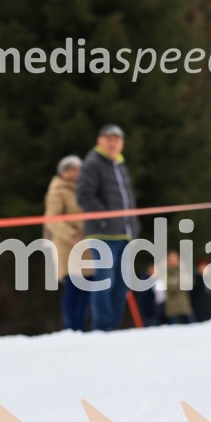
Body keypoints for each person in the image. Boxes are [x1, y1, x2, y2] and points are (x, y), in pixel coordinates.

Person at [76, 124, 140, 331]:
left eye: (117, 139)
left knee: (122, 283)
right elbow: (84, 194)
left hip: (124, 233)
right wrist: (104, 219)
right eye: (109, 138)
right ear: (99, 141)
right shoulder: (93, 163)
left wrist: (133, 226)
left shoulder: (120, 166)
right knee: (105, 280)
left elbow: (127, 201)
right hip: (102, 233)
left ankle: (113, 325)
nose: (113, 143)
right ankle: (102, 327)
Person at [44, 155, 90, 331]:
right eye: (71, 170)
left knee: (87, 285)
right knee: (74, 285)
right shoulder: (57, 189)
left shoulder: (84, 189)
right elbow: (52, 219)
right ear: (63, 172)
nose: (75, 174)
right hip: (68, 246)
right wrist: (72, 235)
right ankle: (71, 326)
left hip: (87, 244)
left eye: (78, 170)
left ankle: (81, 326)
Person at [164, 250, 195, 324]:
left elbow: (191, 283)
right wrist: (182, 284)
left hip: (185, 306)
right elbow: (168, 287)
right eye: (171, 258)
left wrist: (182, 268)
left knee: (194, 328)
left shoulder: (182, 270)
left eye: (175, 258)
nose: (173, 260)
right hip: (172, 308)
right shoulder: (165, 272)